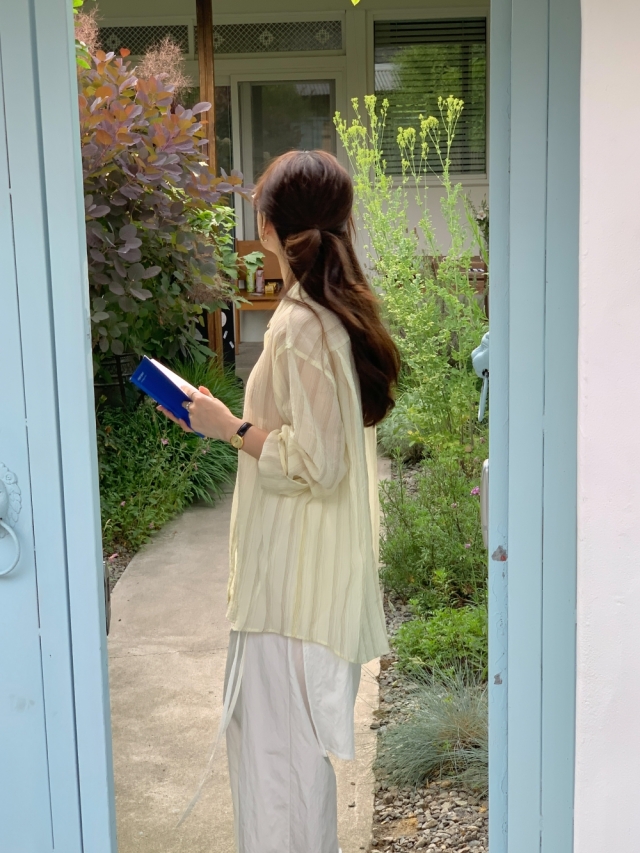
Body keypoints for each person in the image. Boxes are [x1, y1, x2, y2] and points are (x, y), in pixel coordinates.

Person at [159, 150, 400, 853]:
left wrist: (229, 428)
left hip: (291, 594)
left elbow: (317, 464)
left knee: (277, 776)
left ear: (268, 226)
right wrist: (222, 419)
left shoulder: (301, 325)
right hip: (296, 585)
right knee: (285, 771)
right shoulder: (323, 315)